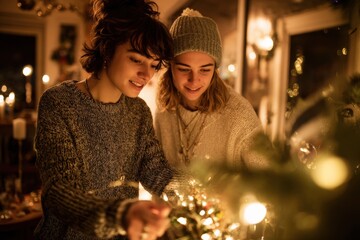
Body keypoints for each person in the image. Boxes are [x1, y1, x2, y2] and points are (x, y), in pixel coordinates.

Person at [34, 0, 176, 239]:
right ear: (108, 49)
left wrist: (202, 188)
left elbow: (156, 173)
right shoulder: (59, 102)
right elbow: (60, 191)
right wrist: (120, 214)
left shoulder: (139, 111)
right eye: (136, 59)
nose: (147, 74)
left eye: (153, 65)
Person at [155, 8, 272, 172]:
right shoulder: (163, 110)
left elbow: (271, 178)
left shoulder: (239, 115)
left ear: (215, 70)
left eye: (204, 70)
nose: (194, 80)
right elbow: (158, 176)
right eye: (184, 69)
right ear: (170, 67)